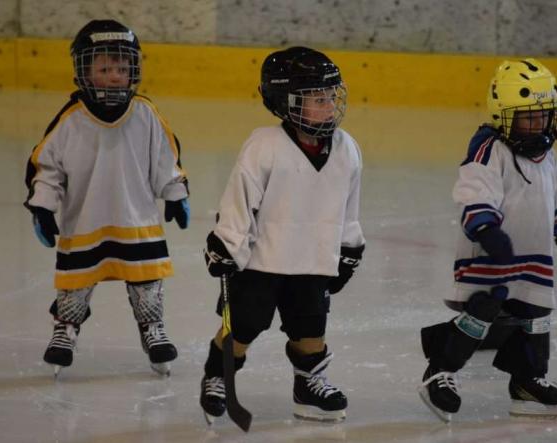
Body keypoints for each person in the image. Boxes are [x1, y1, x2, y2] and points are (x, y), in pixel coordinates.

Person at [198, 47, 365, 424]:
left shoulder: (347, 149)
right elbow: (239, 200)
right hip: (261, 262)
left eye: (330, 96)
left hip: (313, 260)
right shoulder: (264, 145)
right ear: (284, 102)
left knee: (310, 329)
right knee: (242, 327)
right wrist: (226, 243)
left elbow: (348, 209)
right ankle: (218, 376)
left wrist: (349, 248)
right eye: (317, 99)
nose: (329, 106)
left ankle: (308, 385)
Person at [417, 59, 557, 422]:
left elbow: (555, 198)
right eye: (528, 116)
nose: (538, 123)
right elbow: (474, 190)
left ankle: (528, 381)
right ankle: (440, 371)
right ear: (503, 114)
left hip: (534, 256)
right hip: (490, 253)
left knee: (536, 315)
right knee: (483, 309)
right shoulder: (489, 148)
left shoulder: (548, 153)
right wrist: (487, 230)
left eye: (544, 114)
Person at [23, 19, 190, 377]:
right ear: (84, 70)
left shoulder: (145, 113)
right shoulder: (70, 120)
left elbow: (166, 160)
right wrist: (42, 206)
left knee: (147, 283)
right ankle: (65, 329)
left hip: (137, 220)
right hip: (86, 220)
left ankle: (152, 329)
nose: (115, 76)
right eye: (104, 68)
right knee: (76, 283)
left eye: (122, 67)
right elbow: (47, 168)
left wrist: (175, 194)